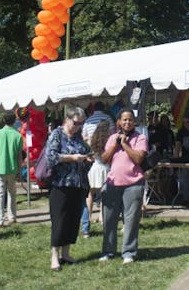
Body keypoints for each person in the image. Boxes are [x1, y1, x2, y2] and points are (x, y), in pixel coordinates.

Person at [45, 106, 92, 271]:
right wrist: (71, 158)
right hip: (61, 185)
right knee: (59, 220)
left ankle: (66, 253)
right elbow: (50, 158)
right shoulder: (57, 134)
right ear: (67, 119)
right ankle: (54, 257)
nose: (78, 126)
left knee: (72, 221)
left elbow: (86, 152)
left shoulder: (78, 136)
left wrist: (87, 158)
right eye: (76, 123)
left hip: (77, 184)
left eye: (81, 123)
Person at [100, 108, 148, 264]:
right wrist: (115, 145)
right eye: (124, 119)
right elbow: (104, 158)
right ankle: (108, 251)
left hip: (133, 185)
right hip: (113, 184)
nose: (127, 122)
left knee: (131, 220)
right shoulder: (112, 138)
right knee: (109, 220)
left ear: (134, 122)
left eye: (130, 119)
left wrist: (125, 145)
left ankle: (128, 252)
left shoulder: (140, 138)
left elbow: (139, 159)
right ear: (119, 122)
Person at [0, 112, 24, 229]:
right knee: (12, 194)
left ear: (4, 121)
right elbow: (19, 156)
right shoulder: (17, 135)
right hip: (12, 168)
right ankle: (12, 217)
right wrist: (19, 170)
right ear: (14, 121)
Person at [82, 119, 112, 238]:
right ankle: (102, 217)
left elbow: (90, 155)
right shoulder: (108, 141)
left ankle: (87, 217)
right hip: (105, 168)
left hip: (94, 168)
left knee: (90, 194)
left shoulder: (92, 139)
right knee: (104, 195)